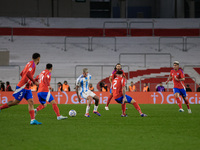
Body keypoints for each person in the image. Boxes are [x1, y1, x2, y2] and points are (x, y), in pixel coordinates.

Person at [0, 53, 42, 125]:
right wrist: (33, 81)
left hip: (27, 87)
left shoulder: (29, 63)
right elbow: (28, 73)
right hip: (22, 86)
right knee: (15, 102)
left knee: (31, 102)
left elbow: (22, 73)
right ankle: (0, 108)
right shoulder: (32, 64)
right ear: (38, 58)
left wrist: (28, 81)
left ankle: (32, 120)